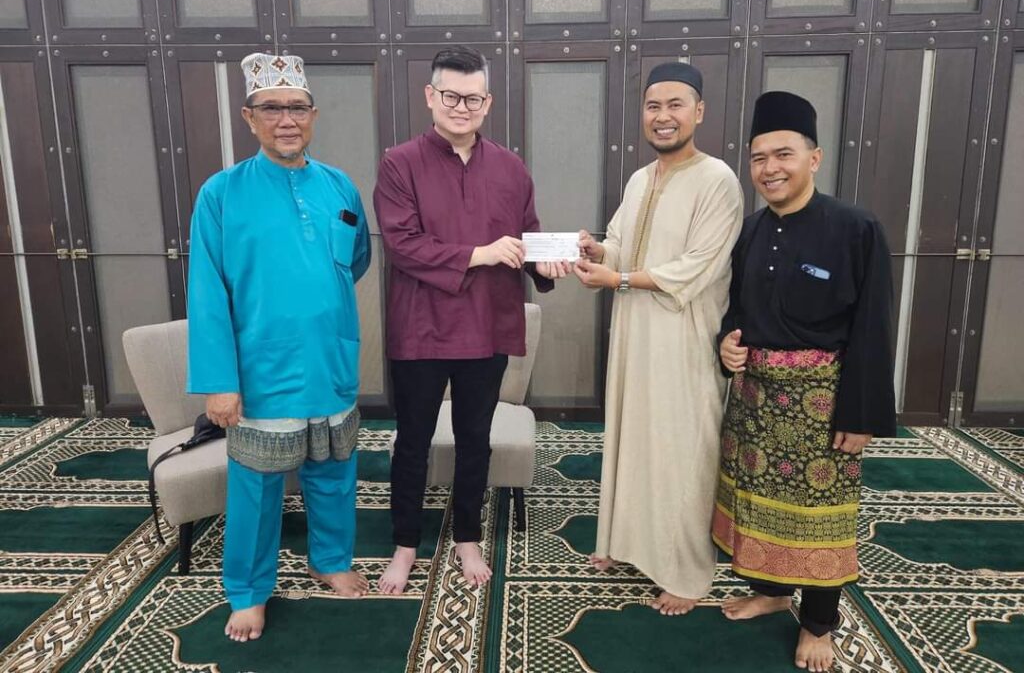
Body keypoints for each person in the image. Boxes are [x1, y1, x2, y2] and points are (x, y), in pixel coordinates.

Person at [187, 53, 371, 642]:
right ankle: (247, 591)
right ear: (249, 117)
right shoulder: (221, 193)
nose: (286, 119)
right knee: (257, 489)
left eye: (297, 108)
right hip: (260, 369)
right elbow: (207, 294)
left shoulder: (339, 185)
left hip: (330, 358)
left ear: (313, 114)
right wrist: (219, 381)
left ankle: (331, 560)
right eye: (271, 108)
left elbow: (356, 260)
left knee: (334, 470)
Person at [373, 46, 568, 595]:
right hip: (421, 327)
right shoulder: (399, 163)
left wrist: (545, 261)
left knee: (475, 438)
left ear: (488, 102)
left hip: (487, 325)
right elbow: (402, 245)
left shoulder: (510, 167)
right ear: (430, 96)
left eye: (473, 98)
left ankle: (467, 537)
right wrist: (480, 253)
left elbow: (528, 237)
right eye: (451, 96)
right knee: (412, 439)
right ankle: (405, 544)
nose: (462, 107)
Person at [713, 91, 897, 672]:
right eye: (758, 158)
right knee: (759, 504)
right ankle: (771, 593)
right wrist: (726, 344)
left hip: (822, 402)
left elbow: (873, 327)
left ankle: (819, 623)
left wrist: (861, 415)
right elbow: (736, 307)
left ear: (814, 159)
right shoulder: (749, 230)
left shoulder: (855, 227)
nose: (770, 168)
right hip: (754, 399)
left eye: (783, 155)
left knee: (820, 513)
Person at [574, 62, 744, 615]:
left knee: (684, 450)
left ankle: (688, 573)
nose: (663, 116)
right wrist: (599, 251)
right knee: (635, 438)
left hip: (684, 338)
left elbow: (697, 267)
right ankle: (629, 543)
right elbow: (622, 242)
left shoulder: (717, 179)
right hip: (635, 332)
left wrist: (617, 278)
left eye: (675, 105)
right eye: (653, 106)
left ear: (699, 112)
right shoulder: (640, 178)